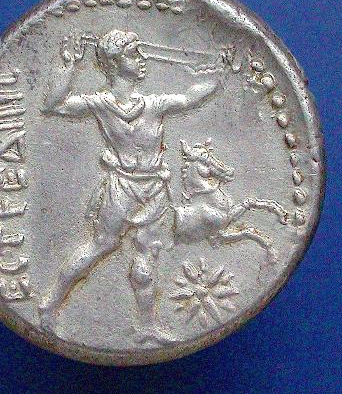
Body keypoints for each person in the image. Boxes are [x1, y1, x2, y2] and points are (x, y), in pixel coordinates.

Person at [40, 29, 226, 342]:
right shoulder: (100, 103)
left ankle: (146, 327)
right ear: (113, 63)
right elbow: (52, 104)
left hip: (154, 189)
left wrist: (215, 73)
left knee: (147, 256)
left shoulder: (154, 104)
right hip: (121, 188)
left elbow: (190, 97)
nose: (142, 60)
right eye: (133, 54)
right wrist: (69, 65)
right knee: (101, 245)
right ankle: (49, 305)